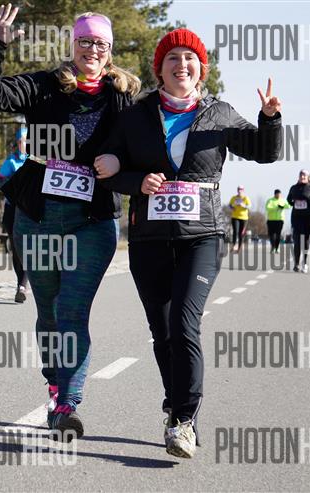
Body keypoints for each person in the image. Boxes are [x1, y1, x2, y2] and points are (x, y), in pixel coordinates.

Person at [96, 28, 282, 458]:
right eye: (173, 58)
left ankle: (184, 419)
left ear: (202, 68)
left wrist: (270, 119)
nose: (182, 65)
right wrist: (136, 182)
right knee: (162, 333)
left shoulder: (219, 113)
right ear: (159, 69)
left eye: (190, 58)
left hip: (202, 237)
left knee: (184, 323)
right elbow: (105, 170)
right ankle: (175, 405)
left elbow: (264, 152)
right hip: (149, 239)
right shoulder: (136, 116)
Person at [0, 4, 140, 440]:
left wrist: (119, 164)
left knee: (73, 311)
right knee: (48, 310)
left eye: (100, 43)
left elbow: (147, 146)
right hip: (39, 216)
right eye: (84, 41)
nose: (92, 49)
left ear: (109, 50)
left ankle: (68, 403)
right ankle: (54, 381)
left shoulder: (123, 97)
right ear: (73, 45)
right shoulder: (45, 86)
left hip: (92, 220)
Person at [0, 127, 29, 302]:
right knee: (17, 249)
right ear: (17, 143)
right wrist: (16, 188)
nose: (24, 144)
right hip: (13, 210)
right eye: (21, 141)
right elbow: (0, 183)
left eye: (27, 140)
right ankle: (20, 284)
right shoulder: (11, 162)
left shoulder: (37, 160)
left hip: (30, 211)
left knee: (30, 248)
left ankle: (23, 285)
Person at [287, 169, 310, 273]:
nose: (302, 177)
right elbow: (288, 199)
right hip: (296, 217)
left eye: (304, 175)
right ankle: (296, 263)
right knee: (297, 240)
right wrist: (294, 202)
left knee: (305, 240)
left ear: (308, 177)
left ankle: (305, 263)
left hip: (308, 217)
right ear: (299, 176)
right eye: (301, 175)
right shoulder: (293, 188)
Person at [265, 188, 290, 253]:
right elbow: (267, 208)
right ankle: (273, 246)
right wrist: (276, 208)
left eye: (279, 194)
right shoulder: (270, 200)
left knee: (278, 234)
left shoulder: (283, 200)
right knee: (271, 234)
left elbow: (289, 206)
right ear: (275, 194)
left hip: (280, 220)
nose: (279, 195)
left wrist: (282, 207)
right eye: (277, 194)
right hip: (271, 219)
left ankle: (277, 247)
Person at [228, 185, 251, 252]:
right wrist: (233, 206)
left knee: (241, 233)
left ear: (243, 190)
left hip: (244, 218)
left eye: (241, 189)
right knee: (235, 231)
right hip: (235, 217)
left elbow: (249, 206)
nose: (239, 190)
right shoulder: (234, 197)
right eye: (238, 189)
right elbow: (229, 205)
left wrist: (244, 205)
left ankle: (239, 247)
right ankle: (234, 245)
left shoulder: (246, 198)